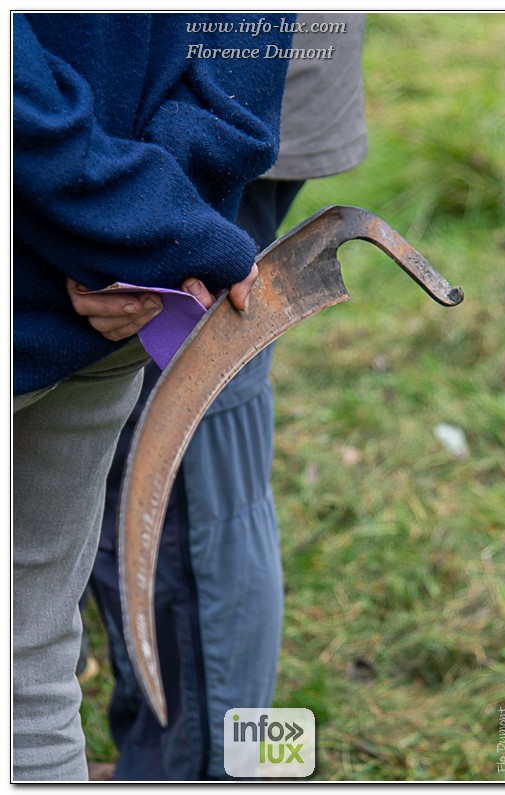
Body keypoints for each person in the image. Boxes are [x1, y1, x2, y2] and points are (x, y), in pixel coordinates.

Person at [12, 12, 297, 782]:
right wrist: (150, 223)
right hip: (115, 284)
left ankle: (200, 771)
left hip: (96, 290)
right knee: (28, 673)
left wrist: (138, 226)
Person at [83, 13, 368, 781]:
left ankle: (206, 770)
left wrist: (158, 200)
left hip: (201, 108)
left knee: (187, 472)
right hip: (145, 114)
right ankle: (159, 749)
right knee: (127, 464)